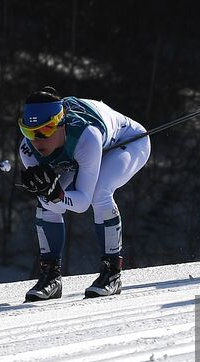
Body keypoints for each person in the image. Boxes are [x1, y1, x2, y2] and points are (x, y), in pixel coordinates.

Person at [15, 89, 150, 301]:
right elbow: (53, 202)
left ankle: (112, 274)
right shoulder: (27, 149)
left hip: (128, 141)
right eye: (29, 131)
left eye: (45, 130)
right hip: (75, 155)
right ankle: (51, 276)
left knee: (99, 194)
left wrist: (57, 193)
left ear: (60, 123)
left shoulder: (86, 137)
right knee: (46, 205)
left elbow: (82, 203)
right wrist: (50, 195)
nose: (37, 140)